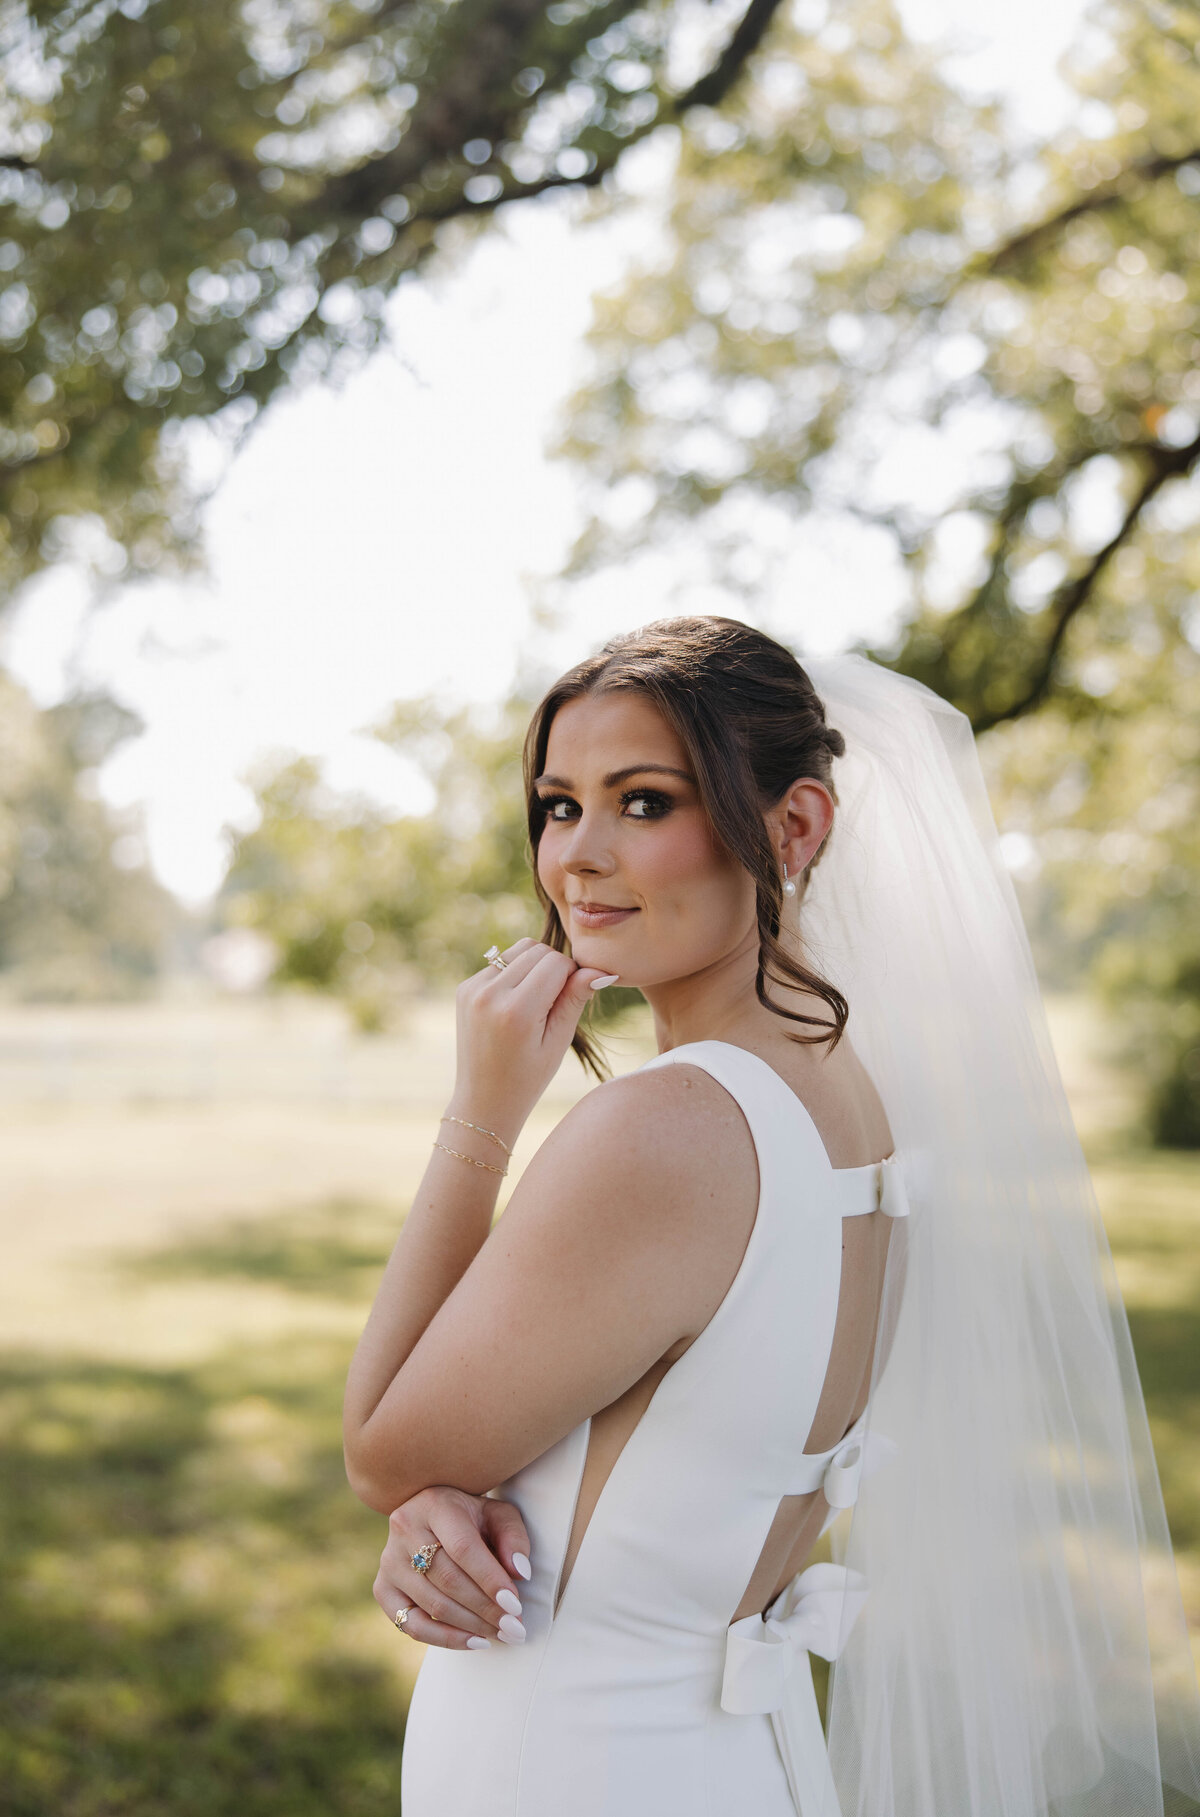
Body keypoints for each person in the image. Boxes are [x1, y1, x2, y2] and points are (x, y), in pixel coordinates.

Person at [343, 617, 1200, 1817]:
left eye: (643, 802)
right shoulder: (845, 1090)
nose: (578, 856)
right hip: (742, 1757)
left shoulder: (666, 1123)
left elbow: (384, 1443)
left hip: (580, 1763)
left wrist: (480, 1111)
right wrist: (460, 1494)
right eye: (557, 804)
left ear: (793, 828)